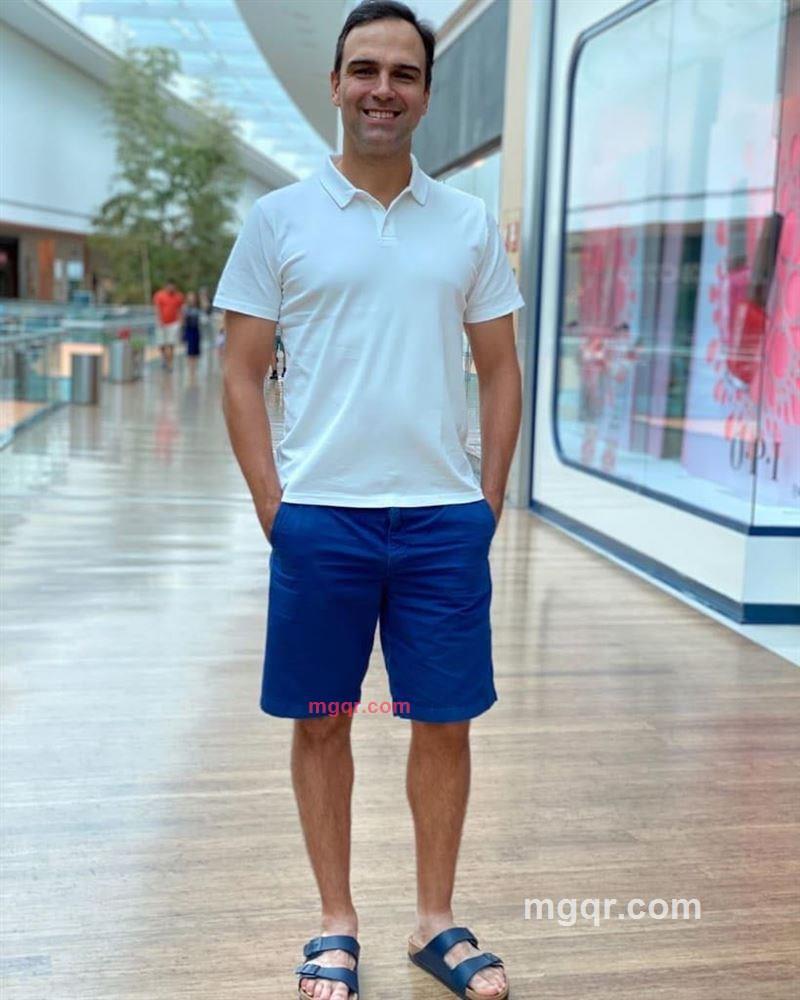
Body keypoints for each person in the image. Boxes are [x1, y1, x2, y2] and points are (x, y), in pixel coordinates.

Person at [214, 3, 524, 998]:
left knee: (445, 721)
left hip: (440, 521)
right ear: (336, 84)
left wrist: (486, 500)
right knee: (321, 721)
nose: (381, 89)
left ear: (425, 93)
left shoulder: (465, 223)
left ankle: (435, 921)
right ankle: (334, 923)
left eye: (402, 73)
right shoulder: (279, 219)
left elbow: (500, 369)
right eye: (364, 70)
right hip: (321, 520)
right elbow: (239, 371)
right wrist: (274, 505)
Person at [152, 279, 184, 372]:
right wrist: (159, 320)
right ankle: (164, 358)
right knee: (161, 343)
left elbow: (180, 309)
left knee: (171, 344)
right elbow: (157, 308)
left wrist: (181, 321)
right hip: (161, 323)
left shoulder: (179, 296)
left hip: (173, 323)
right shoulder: (159, 295)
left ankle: (170, 364)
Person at [182, 290, 202, 369]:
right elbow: (183, 320)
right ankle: (190, 367)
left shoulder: (198, 307)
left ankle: (194, 367)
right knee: (189, 349)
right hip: (188, 330)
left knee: (196, 349)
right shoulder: (185, 308)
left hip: (196, 330)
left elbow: (205, 311)